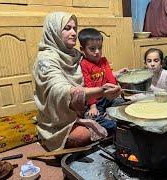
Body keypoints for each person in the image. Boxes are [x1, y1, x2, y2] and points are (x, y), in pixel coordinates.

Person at [33, 12, 121, 151]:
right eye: (67, 28)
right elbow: (58, 89)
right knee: (82, 136)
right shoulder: (46, 59)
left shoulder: (75, 54)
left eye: (75, 28)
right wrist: (102, 91)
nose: (74, 33)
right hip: (60, 118)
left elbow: (92, 75)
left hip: (84, 107)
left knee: (122, 107)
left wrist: (116, 76)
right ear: (53, 31)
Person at [78, 28, 127, 134]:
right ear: (82, 49)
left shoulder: (104, 61)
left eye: (100, 48)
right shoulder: (84, 64)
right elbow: (88, 85)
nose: (97, 52)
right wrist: (93, 106)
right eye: (92, 49)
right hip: (95, 100)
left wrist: (115, 92)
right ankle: (116, 127)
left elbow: (110, 78)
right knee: (92, 117)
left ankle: (115, 119)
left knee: (123, 103)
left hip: (107, 97)